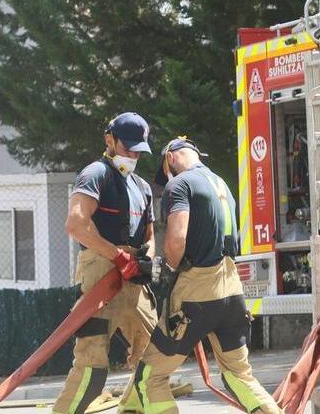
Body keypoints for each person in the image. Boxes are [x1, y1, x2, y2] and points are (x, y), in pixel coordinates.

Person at [131, 137, 282, 413]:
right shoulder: (221, 184)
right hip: (232, 291)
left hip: (197, 293)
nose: (167, 179)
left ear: (170, 158)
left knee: (149, 377)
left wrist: (166, 266)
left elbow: (177, 240)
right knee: (239, 375)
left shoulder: (180, 184)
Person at [53, 112, 158, 414]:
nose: (133, 156)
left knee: (155, 357)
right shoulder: (95, 174)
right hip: (101, 274)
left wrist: (147, 257)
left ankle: (132, 408)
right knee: (92, 366)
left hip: (133, 279)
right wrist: (118, 256)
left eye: (139, 151)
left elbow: (150, 235)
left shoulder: (142, 187)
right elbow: (76, 224)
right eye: (128, 148)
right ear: (109, 140)